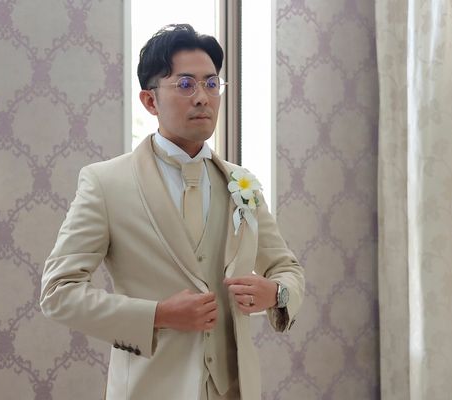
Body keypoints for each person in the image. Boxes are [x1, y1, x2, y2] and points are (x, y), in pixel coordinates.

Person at [40, 24, 305, 400]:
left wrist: (277, 293)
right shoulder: (106, 183)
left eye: (211, 84)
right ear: (150, 101)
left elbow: (286, 268)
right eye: (185, 84)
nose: (202, 98)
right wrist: (159, 314)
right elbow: (58, 292)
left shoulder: (242, 184)